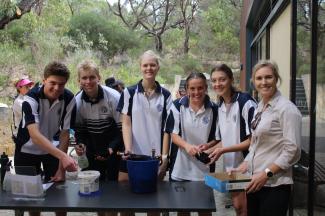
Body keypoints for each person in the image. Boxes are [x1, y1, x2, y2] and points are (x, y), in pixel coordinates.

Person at [236, 60, 301, 216]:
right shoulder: (260, 106)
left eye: (268, 77)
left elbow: (293, 151)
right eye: (259, 78)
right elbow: (256, 144)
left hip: (275, 186)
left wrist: (266, 174)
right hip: (254, 182)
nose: (263, 82)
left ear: (276, 79)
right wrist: (243, 166)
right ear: (253, 82)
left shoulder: (287, 109)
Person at [14, 61, 77, 216]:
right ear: (44, 80)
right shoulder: (29, 98)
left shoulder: (69, 98)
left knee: (60, 195)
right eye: (52, 83)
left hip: (52, 149)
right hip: (26, 150)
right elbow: (34, 135)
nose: (56, 88)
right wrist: (63, 157)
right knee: (31, 198)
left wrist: (61, 167)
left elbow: (65, 133)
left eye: (61, 84)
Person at [205, 64, 257, 216]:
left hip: (250, 164)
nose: (217, 84)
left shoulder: (245, 102)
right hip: (232, 166)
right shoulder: (220, 104)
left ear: (231, 80)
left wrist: (222, 150)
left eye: (222, 79)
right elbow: (223, 138)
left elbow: (253, 141)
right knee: (238, 207)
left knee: (247, 208)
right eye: (214, 81)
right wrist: (207, 147)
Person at [165, 72, 218, 216]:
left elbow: (217, 138)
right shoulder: (177, 106)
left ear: (206, 88)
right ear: (187, 89)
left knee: (205, 210)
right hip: (180, 168)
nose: (196, 92)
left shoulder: (214, 108)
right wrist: (188, 147)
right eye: (192, 88)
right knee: (182, 210)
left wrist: (208, 146)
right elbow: (173, 135)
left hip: (204, 169)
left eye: (200, 88)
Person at [117, 50, 172, 181]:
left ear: (158, 67)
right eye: (145, 65)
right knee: (124, 184)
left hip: (155, 156)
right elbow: (126, 123)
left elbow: (167, 129)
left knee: (153, 192)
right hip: (132, 153)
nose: (149, 68)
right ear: (140, 67)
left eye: (152, 65)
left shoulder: (166, 95)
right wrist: (128, 149)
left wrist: (164, 157)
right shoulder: (129, 92)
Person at [74, 60, 122, 181]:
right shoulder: (77, 101)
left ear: (99, 78)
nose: (88, 82)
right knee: (92, 187)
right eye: (84, 78)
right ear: (79, 80)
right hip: (91, 151)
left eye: (92, 77)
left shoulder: (114, 97)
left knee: (113, 188)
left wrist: (111, 148)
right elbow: (80, 131)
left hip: (113, 149)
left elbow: (122, 129)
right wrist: (81, 144)